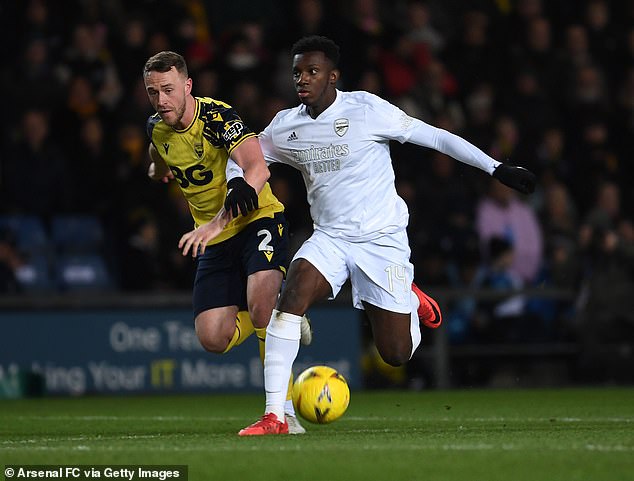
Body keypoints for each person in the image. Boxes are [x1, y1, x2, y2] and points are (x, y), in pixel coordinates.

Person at [192, 36, 536, 435]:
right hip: (331, 239)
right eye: (297, 72)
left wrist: (496, 168)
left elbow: (437, 136)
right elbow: (246, 156)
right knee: (291, 299)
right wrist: (237, 182)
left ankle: (408, 297)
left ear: (333, 77)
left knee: (395, 354)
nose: (302, 79)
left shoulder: (367, 110)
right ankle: (277, 416)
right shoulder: (287, 125)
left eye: (312, 71)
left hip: (381, 240)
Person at [142, 51, 312, 434]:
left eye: (168, 90)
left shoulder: (219, 118)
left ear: (188, 86)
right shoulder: (157, 126)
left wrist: (215, 224)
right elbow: (157, 152)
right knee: (213, 337)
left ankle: (283, 413)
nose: (161, 100)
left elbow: (257, 169)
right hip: (214, 238)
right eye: (153, 93)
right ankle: (287, 316)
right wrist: (157, 169)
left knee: (260, 304)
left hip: (256, 219)